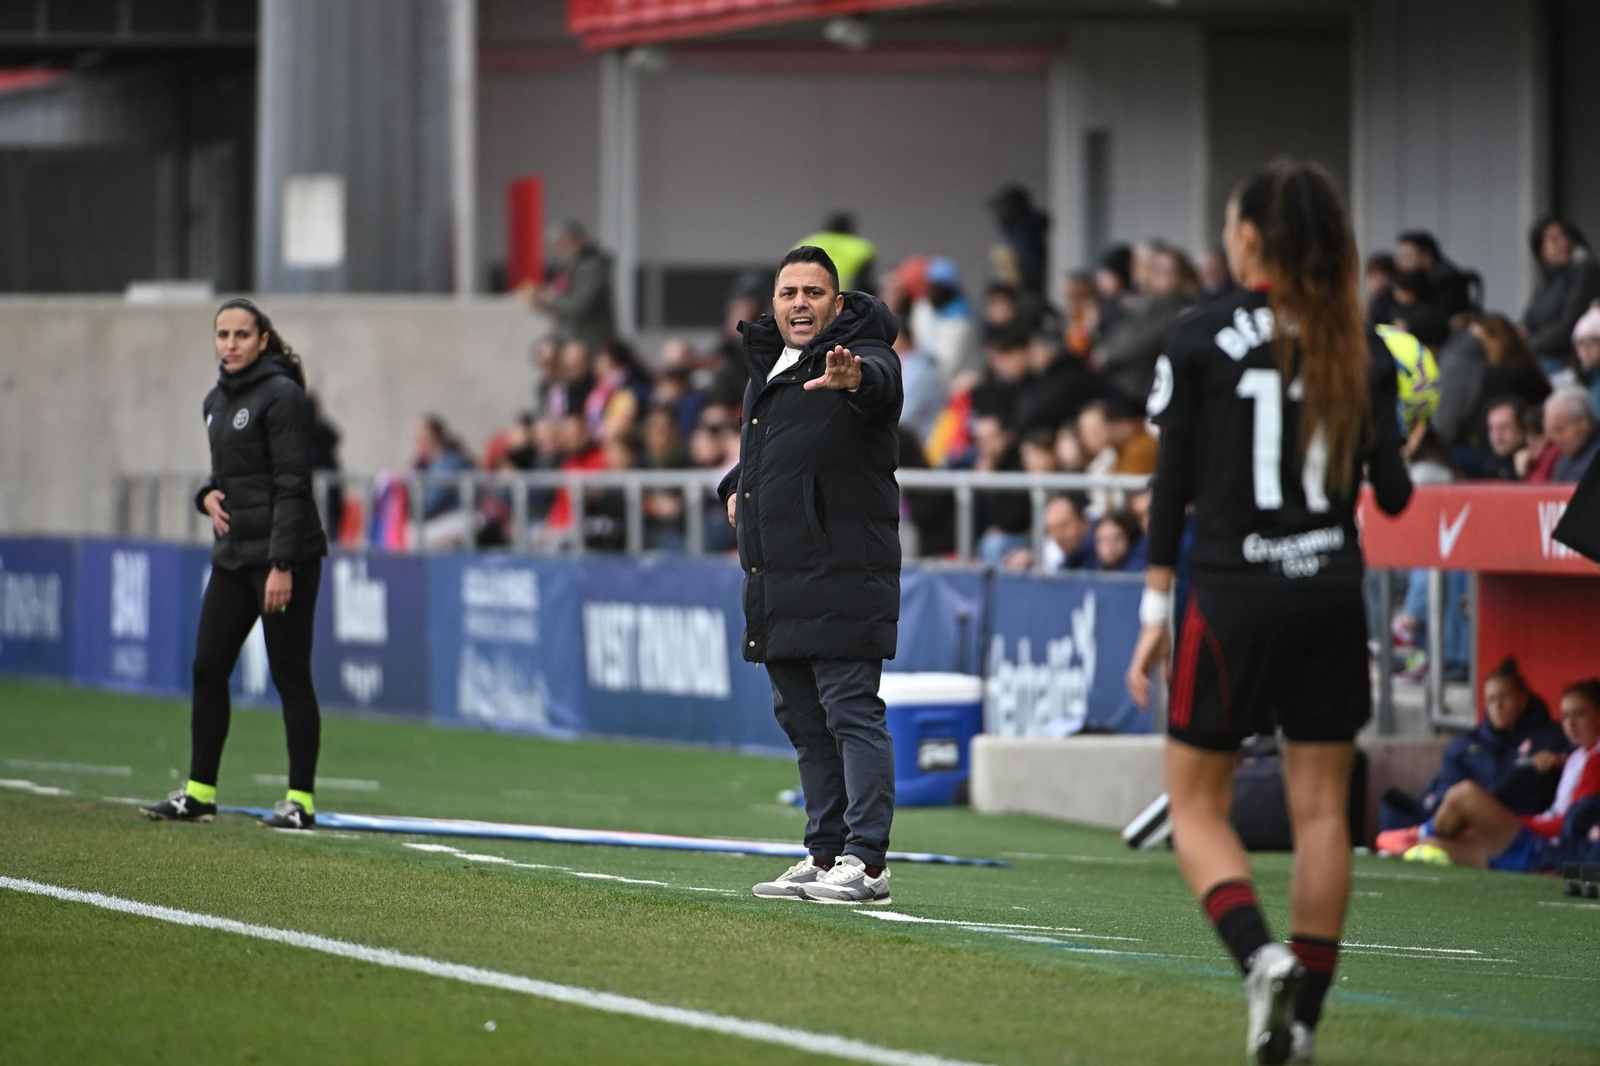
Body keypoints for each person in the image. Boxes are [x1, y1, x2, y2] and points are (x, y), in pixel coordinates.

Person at [1126, 159, 1412, 1064]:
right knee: (1322, 812)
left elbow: (1170, 487)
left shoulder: (1198, 334)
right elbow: (1396, 495)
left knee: (1195, 806)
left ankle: (1260, 959)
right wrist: (1401, 417)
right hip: (1330, 593)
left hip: (1231, 596)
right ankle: (1307, 1025)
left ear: (1249, 237)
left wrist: (1155, 605)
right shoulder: (1360, 344)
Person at [717, 246, 903, 905]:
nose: (800, 303)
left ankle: (868, 863)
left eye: (814, 292)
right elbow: (773, 451)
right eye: (788, 292)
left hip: (844, 573)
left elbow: (878, 385)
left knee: (851, 713)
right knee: (805, 723)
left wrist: (855, 380)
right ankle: (825, 855)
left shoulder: (863, 354)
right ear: (773, 304)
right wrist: (735, 487)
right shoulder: (771, 367)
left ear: (838, 303)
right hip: (781, 577)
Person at [141, 299, 330, 831]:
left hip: (282, 559)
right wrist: (205, 495)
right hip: (232, 557)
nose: (230, 343)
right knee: (207, 667)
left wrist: (282, 564)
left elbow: (293, 485)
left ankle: (300, 802)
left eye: (241, 334)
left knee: (289, 674)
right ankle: (199, 794)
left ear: (263, 340)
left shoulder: (284, 396)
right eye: (222, 334)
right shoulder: (215, 400)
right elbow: (228, 473)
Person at [1403, 680, 1600, 871]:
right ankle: (1412, 839)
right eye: (1565, 716)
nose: (1570, 723)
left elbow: (1573, 823)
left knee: (1465, 793)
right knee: (1433, 845)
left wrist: (1514, 822)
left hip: (1550, 848)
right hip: (1539, 841)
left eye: (1579, 714)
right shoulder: (1578, 755)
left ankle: (1415, 832)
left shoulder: (1595, 759)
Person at [1376, 658, 1569, 840]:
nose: (1498, 706)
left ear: (1523, 699)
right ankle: (1417, 836)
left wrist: (1560, 760)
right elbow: (1445, 796)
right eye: (1491, 699)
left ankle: (1416, 838)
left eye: (1505, 697)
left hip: (1523, 831)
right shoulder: (1464, 745)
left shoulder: (1552, 737)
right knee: (1462, 795)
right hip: (1467, 829)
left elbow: (1579, 762)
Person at [1523, 217, 1600, 376]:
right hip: (1542, 353)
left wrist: (1529, 345)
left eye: (1565, 235)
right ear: (1541, 250)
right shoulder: (1546, 281)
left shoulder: (1584, 271)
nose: (1563, 243)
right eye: (1554, 239)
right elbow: (1530, 318)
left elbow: (1568, 325)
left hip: (1569, 358)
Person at [527, 220, 616, 350]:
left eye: (561, 243)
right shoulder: (568, 267)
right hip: (569, 334)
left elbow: (580, 304)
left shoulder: (591, 267)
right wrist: (543, 301)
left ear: (577, 241)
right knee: (542, 349)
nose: (558, 249)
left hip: (588, 337)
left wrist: (550, 299)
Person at [795, 211, 877, 294]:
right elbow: (865, 284)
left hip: (809, 294)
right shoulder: (861, 248)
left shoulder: (810, 242)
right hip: (845, 297)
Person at [1545, 386, 1600, 483]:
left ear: (1583, 423)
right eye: (1552, 432)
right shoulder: (1564, 460)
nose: (1556, 439)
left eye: (1560, 430)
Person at [1482, 397, 1526, 481]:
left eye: (1504, 427)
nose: (1497, 434)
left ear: (1522, 428)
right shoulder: (1487, 464)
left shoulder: (1534, 460)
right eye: (1491, 428)